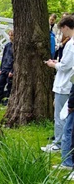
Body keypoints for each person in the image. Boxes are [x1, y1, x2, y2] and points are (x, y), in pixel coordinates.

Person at [43, 15, 74, 155]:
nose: (62, 33)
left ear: (66, 27)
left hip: (64, 84)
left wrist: (53, 64)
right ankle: (62, 142)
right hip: (67, 83)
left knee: (60, 115)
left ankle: (59, 143)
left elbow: (66, 65)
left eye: (62, 30)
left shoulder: (71, 44)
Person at [0, 29, 14, 105]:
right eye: (9, 35)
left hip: (10, 69)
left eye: (12, 35)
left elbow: (16, 60)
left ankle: (7, 101)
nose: (10, 37)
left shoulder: (16, 47)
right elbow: (3, 57)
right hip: (4, 68)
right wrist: (1, 68)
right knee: (0, 84)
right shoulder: (7, 45)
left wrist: (12, 71)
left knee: (9, 87)